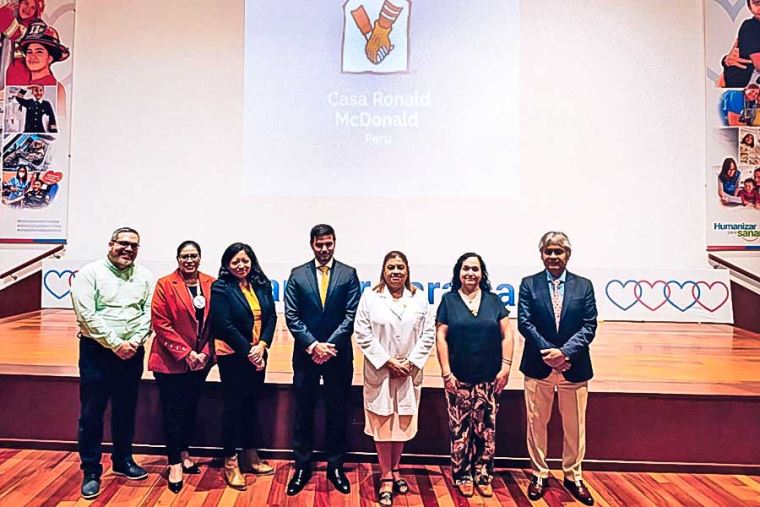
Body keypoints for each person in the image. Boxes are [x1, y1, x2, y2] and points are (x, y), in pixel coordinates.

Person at [69, 227, 153, 500]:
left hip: (132, 352)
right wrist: (116, 343)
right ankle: (91, 470)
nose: (128, 249)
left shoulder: (144, 276)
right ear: (111, 244)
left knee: (125, 409)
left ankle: (123, 460)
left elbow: (148, 313)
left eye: (134, 245)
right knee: (91, 413)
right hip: (97, 352)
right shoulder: (89, 273)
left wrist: (135, 341)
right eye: (123, 243)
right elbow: (86, 314)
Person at [518, 232, 598, 506]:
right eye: (548, 251)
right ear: (541, 254)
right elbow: (525, 323)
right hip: (538, 366)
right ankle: (539, 474)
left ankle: (573, 476)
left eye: (558, 251)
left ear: (568, 254)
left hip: (573, 366)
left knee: (575, 427)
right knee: (536, 424)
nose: (553, 256)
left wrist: (564, 353)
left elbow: (589, 325)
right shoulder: (528, 284)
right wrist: (550, 354)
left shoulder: (584, 286)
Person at [354, 251, 435, 506]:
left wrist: (410, 363)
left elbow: (428, 334)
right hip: (381, 370)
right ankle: (386, 475)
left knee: (402, 422)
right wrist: (388, 361)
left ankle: (396, 468)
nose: (396, 272)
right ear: (383, 270)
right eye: (391, 267)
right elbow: (362, 333)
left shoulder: (419, 298)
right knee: (382, 423)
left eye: (400, 267)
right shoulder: (370, 297)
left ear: (407, 270)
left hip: (408, 372)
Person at [284, 224, 360, 496]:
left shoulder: (348, 274)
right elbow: (292, 316)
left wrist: (329, 346)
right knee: (303, 412)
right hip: (306, 355)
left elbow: (351, 315)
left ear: (334, 243)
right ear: (312, 245)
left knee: (337, 411)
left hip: (338, 355)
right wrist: (314, 346)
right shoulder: (297, 275)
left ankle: (335, 466)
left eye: (329, 243)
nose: (325, 249)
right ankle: (302, 466)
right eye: (320, 244)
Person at [435, 252, 513, 498]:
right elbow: (441, 337)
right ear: (458, 272)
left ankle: (483, 474)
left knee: (486, 429)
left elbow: (507, 334)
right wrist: (446, 373)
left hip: (489, 378)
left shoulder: (493, 300)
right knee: (460, 430)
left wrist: (506, 367)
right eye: (466, 268)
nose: (470, 273)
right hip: (458, 378)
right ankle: (462, 475)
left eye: (475, 269)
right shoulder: (448, 301)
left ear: (482, 273)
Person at [148, 240, 214, 493]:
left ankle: (185, 452)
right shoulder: (165, 284)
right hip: (171, 361)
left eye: (193, 255)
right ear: (178, 259)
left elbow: (217, 322)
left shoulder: (211, 283)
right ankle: (174, 463)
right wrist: (186, 353)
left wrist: (204, 354)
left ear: (200, 258)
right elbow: (161, 323)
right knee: (173, 412)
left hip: (200, 362)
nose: (189, 260)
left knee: (190, 409)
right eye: (184, 256)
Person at [211, 242, 276, 491]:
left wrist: (262, 346)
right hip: (234, 357)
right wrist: (249, 351)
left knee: (251, 405)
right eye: (235, 261)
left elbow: (271, 317)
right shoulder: (221, 287)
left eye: (245, 260)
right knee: (233, 408)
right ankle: (230, 462)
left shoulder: (262, 283)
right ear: (227, 264)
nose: (241, 265)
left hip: (258, 354)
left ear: (252, 261)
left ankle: (250, 456)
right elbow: (224, 324)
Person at [6, 20, 69, 115]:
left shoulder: (57, 88)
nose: (32, 57)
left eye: (39, 52)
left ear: (50, 58)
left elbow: (61, 121)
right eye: (29, 52)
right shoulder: (18, 80)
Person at [720, 0, 760, 88]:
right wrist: (725, 61)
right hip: (742, 86)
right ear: (750, 7)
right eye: (757, 3)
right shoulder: (750, 26)